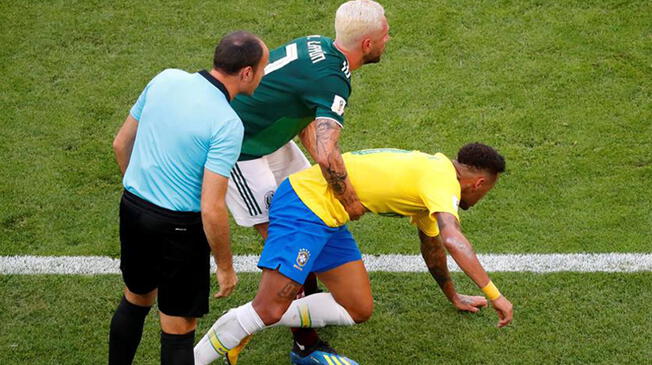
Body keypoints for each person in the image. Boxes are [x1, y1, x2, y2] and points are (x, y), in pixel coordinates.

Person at [194, 143, 514, 365]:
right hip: (304, 206)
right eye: (488, 189)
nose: (484, 194)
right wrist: (494, 294)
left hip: (331, 216)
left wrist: (454, 295)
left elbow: (433, 250)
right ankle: (229, 331)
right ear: (480, 182)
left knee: (357, 307)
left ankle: (249, 322)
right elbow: (453, 240)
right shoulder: (442, 183)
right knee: (268, 308)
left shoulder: (435, 174)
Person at [223, 1, 390, 363]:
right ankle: (304, 346)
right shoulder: (334, 79)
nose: (387, 38)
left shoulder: (317, 44)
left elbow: (303, 114)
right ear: (366, 45)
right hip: (241, 151)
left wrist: (325, 176)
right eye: (384, 34)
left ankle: (304, 316)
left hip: (269, 138)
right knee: (289, 242)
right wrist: (349, 200)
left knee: (308, 218)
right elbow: (330, 153)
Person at [108, 31, 269, 365]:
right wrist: (225, 267)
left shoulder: (165, 79)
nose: (263, 76)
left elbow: (120, 144)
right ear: (247, 73)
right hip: (179, 229)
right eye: (262, 69)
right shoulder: (226, 123)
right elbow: (211, 208)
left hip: (133, 209)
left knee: (136, 299)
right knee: (179, 326)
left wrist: (143, 193)